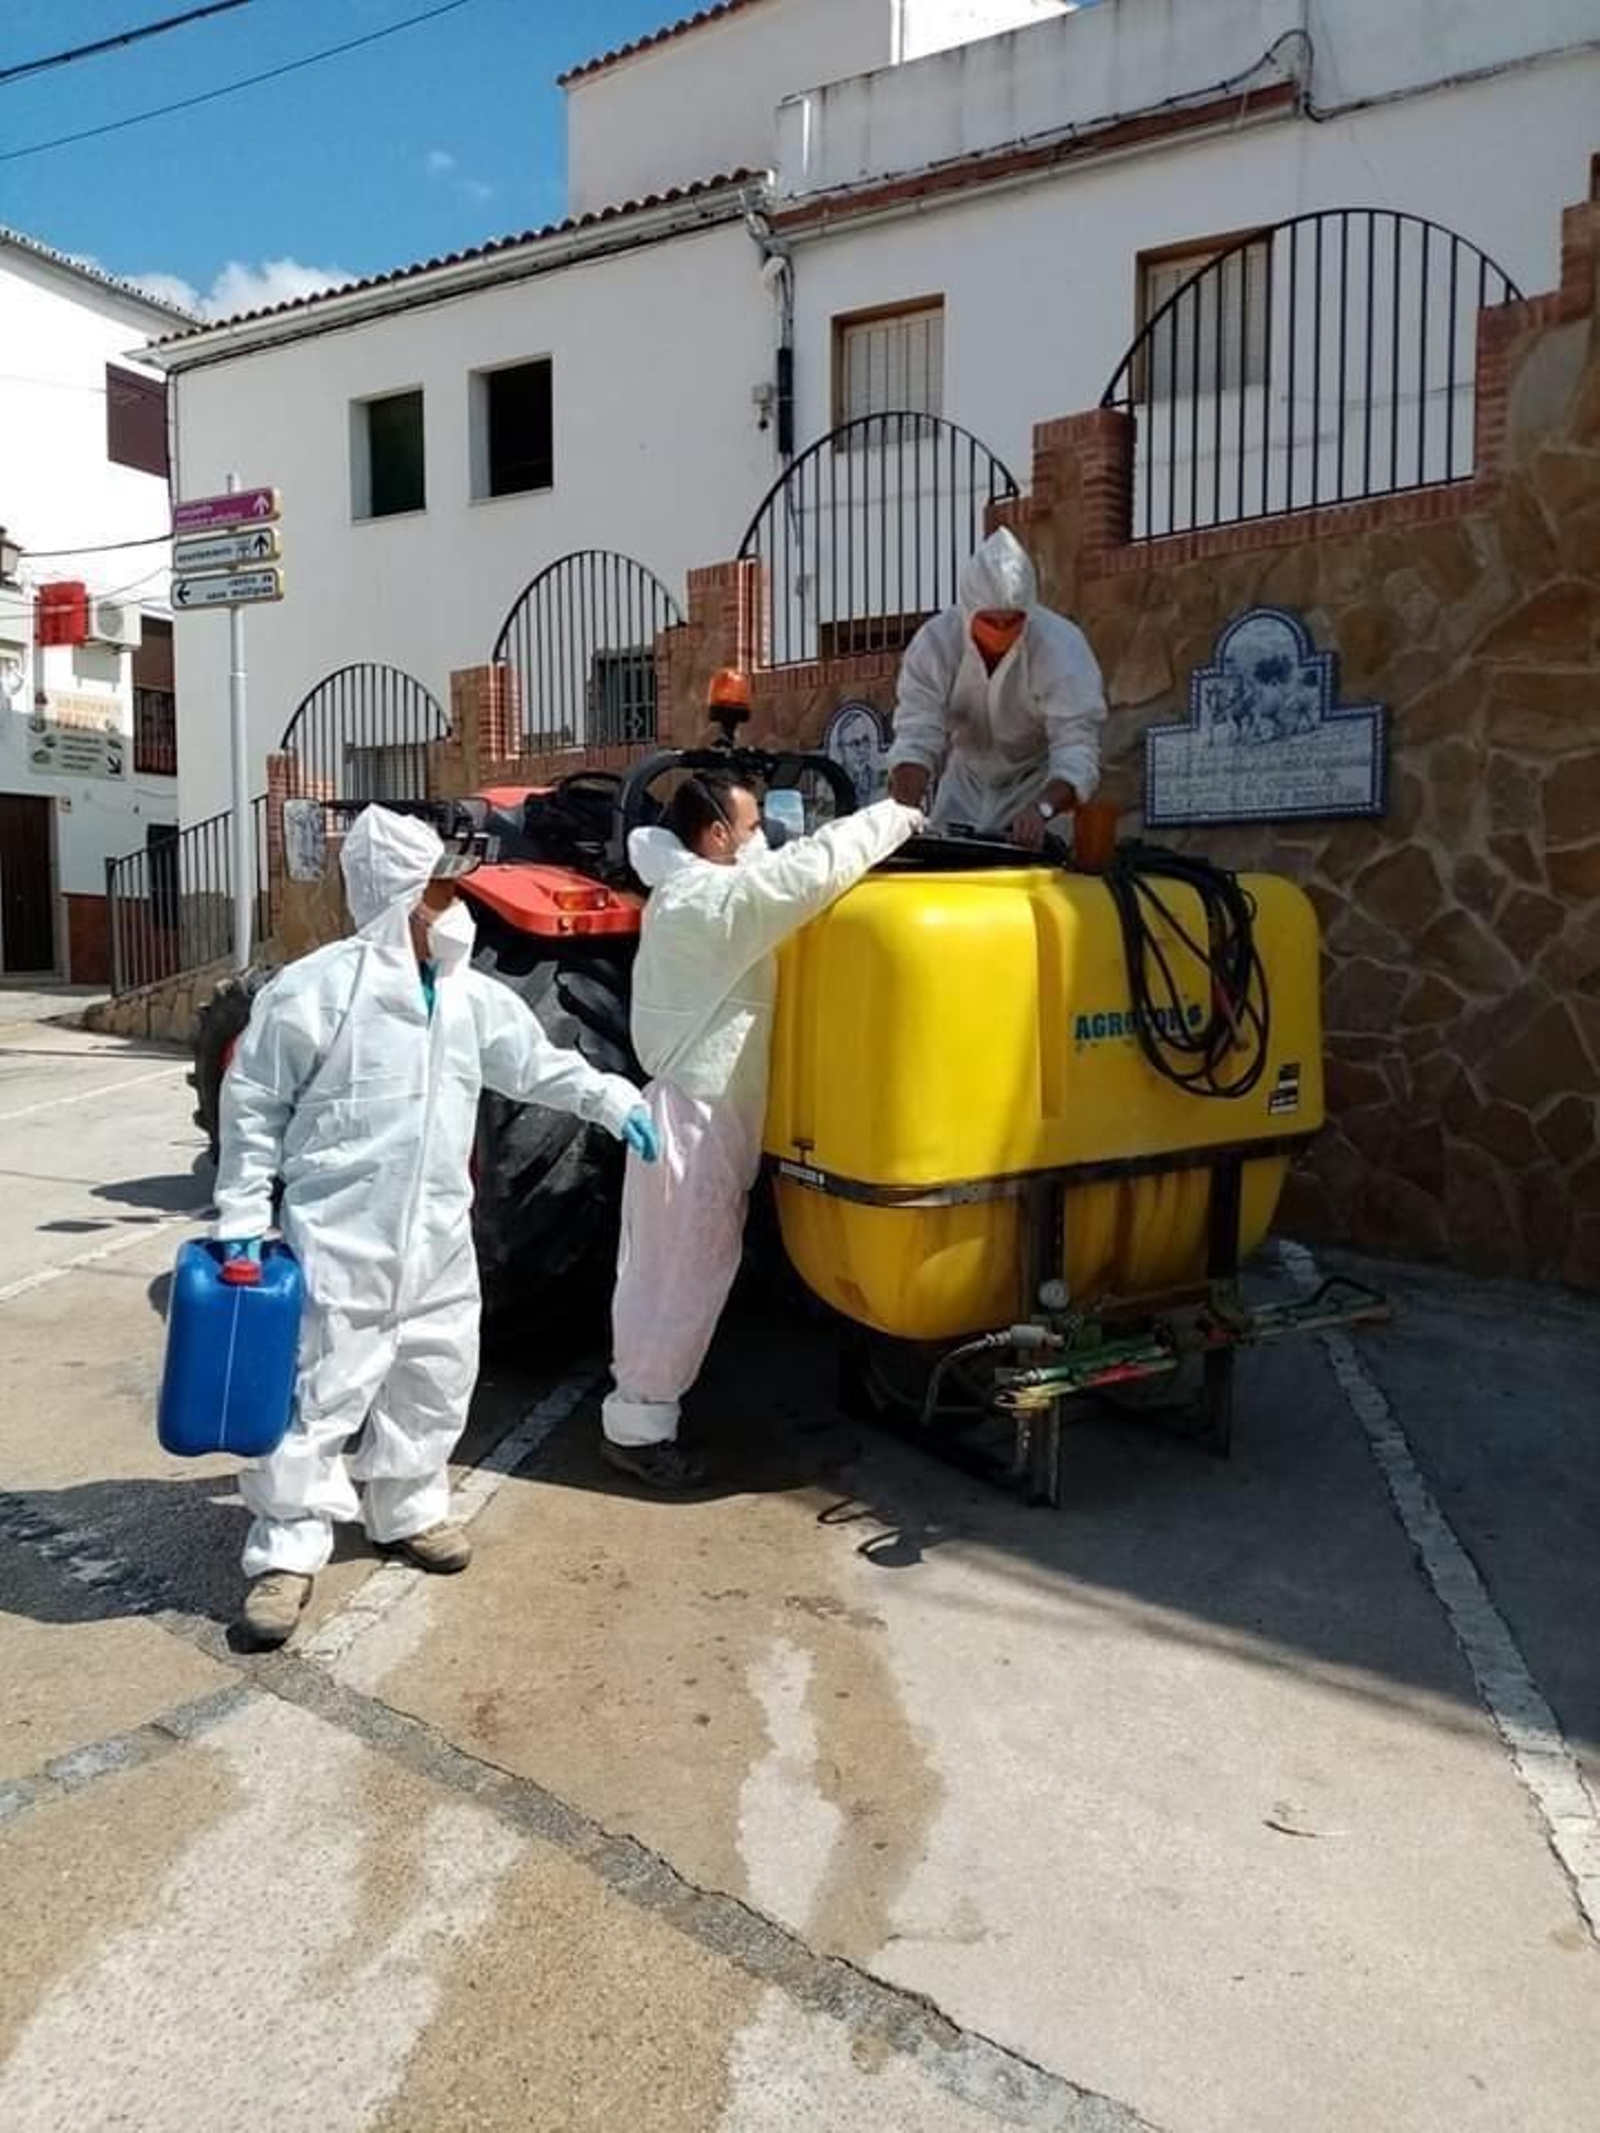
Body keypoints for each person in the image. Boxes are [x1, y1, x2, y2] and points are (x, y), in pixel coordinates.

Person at [213, 804, 658, 1647]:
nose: (452, 906)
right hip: (340, 1237)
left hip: (438, 1240)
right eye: (436, 891)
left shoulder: (469, 998)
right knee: (317, 1392)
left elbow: (538, 1064)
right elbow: (253, 1108)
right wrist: (241, 1216)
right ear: (392, 896)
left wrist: (614, 1098)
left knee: (436, 1373)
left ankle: (408, 1507)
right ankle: (285, 1549)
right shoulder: (313, 993)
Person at [602, 769, 923, 1489]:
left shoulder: (686, 886)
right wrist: (896, 815)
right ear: (715, 835)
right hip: (698, 1115)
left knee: (667, 1264)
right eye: (750, 829)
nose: (761, 841)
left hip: (696, 1110)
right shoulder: (711, 901)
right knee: (685, 1267)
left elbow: (780, 870)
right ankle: (641, 1427)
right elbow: (805, 872)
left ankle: (642, 1405)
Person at [886, 526, 1107, 849]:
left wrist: (1041, 809)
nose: (1001, 632)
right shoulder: (935, 644)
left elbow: (1077, 749)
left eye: (1011, 622)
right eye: (990, 622)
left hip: (1037, 785)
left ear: (1028, 614)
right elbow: (917, 735)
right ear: (969, 613)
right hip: (965, 783)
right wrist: (903, 812)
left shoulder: (1062, 648)